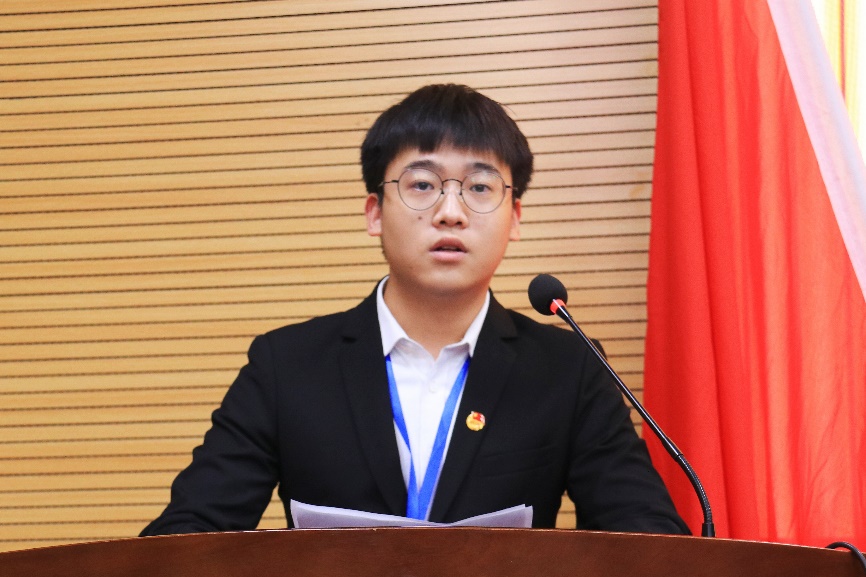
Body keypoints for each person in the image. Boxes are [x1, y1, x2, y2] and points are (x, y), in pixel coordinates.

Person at [140, 84, 689, 536]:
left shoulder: (568, 369)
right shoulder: (287, 365)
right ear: (375, 213)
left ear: (515, 218)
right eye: (422, 184)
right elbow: (185, 535)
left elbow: (648, 539)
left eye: (479, 187)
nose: (450, 211)